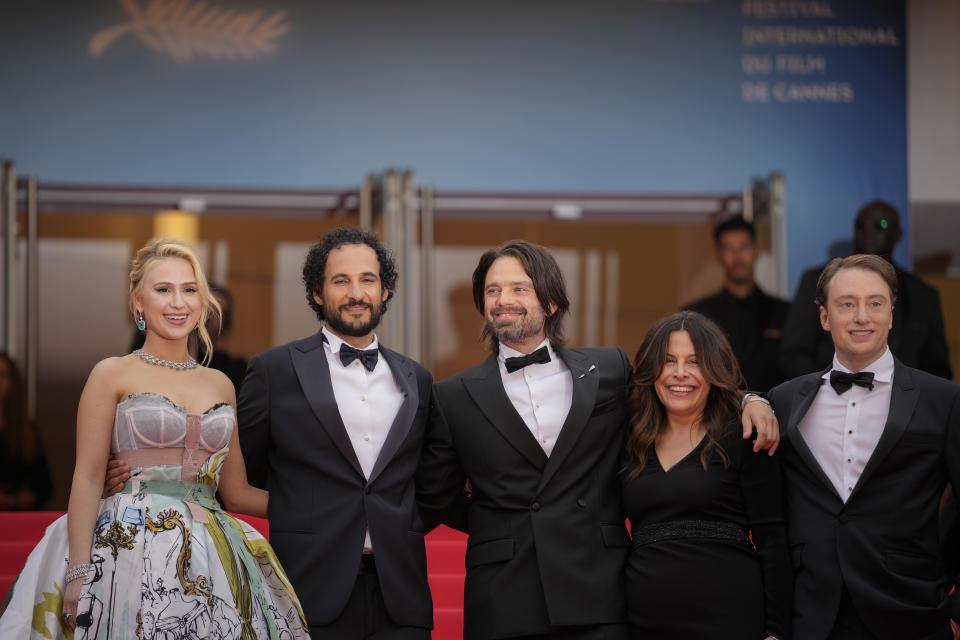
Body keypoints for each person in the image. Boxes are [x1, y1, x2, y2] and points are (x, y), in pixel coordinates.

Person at [416, 239, 780, 640]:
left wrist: (750, 398)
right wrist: (497, 519)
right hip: (503, 594)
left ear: (552, 302)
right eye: (492, 290)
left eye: (520, 288)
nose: (504, 299)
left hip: (598, 593)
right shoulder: (451, 395)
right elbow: (438, 495)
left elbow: (675, 393)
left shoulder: (610, 370)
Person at [0, 238, 308, 639]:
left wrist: (315, 505)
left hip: (208, 553)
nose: (178, 302)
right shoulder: (111, 373)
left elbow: (236, 492)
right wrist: (78, 571)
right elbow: (89, 477)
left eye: (189, 289)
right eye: (163, 289)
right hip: (123, 548)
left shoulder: (221, 383)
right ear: (138, 301)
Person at [238, 227, 435, 637]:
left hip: (401, 591)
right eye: (340, 280)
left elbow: (429, 479)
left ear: (385, 291)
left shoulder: (418, 378)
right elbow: (242, 471)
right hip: (307, 586)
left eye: (368, 279)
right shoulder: (273, 371)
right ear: (316, 292)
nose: (356, 293)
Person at [769, 254, 960, 639]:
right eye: (846, 304)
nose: (862, 316)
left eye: (875, 303)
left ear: (891, 313)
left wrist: (957, 612)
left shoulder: (945, 400)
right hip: (811, 616)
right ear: (825, 318)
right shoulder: (783, 400)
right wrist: (748, 400)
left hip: (912, 614)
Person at [621, 311, 791, 639]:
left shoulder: (744, 437)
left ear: (713, 370)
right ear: (651, 370)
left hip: (731, 621)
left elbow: (773, 541)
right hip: (643, 624)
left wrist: (776, 632)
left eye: (694, 362)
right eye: (668, 361)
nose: (680, 374)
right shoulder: (630, 442)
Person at [780, 200, 952, 380]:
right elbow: (793, 353)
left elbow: (938, 370)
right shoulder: (817, 282)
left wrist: (910, 401)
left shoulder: (923, 295)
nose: (868, 233)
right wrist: (827, 390)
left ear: (898, 234)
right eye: (861, 225)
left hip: (905, 404)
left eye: (880, 225)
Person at [684, 215, 790, 391]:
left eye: (744, 247)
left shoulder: (785, 313)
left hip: (775, 412)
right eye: (728, 249)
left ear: (757, 251)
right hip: (718, 414)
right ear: (718, 255)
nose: (737, 256)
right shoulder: (697, 315)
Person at [0, 352, 52, 509]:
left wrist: (13, 501)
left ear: (11, 382)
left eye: (2, 375)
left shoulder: (26, 432)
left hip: (14, 519)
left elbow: (43, 487)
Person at [201, 283, 248, 395]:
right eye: (205, 309)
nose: (209, 317)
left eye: (217, 312)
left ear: (225, 323)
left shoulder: (235, 369)